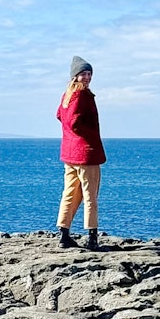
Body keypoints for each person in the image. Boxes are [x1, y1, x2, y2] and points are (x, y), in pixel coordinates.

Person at [55, 55, 107, 250]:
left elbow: (60, 115)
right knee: (90, 195)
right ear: (75, 76)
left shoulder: (67, 95)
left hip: (69, 154)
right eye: (83, 74)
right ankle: (92, 237)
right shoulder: (83, 95)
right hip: (85, 153)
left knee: (69, 193)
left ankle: (63, 233)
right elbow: (75, 122)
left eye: (89, 73)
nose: (87, 77)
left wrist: (72, 135)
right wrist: (88, 136)